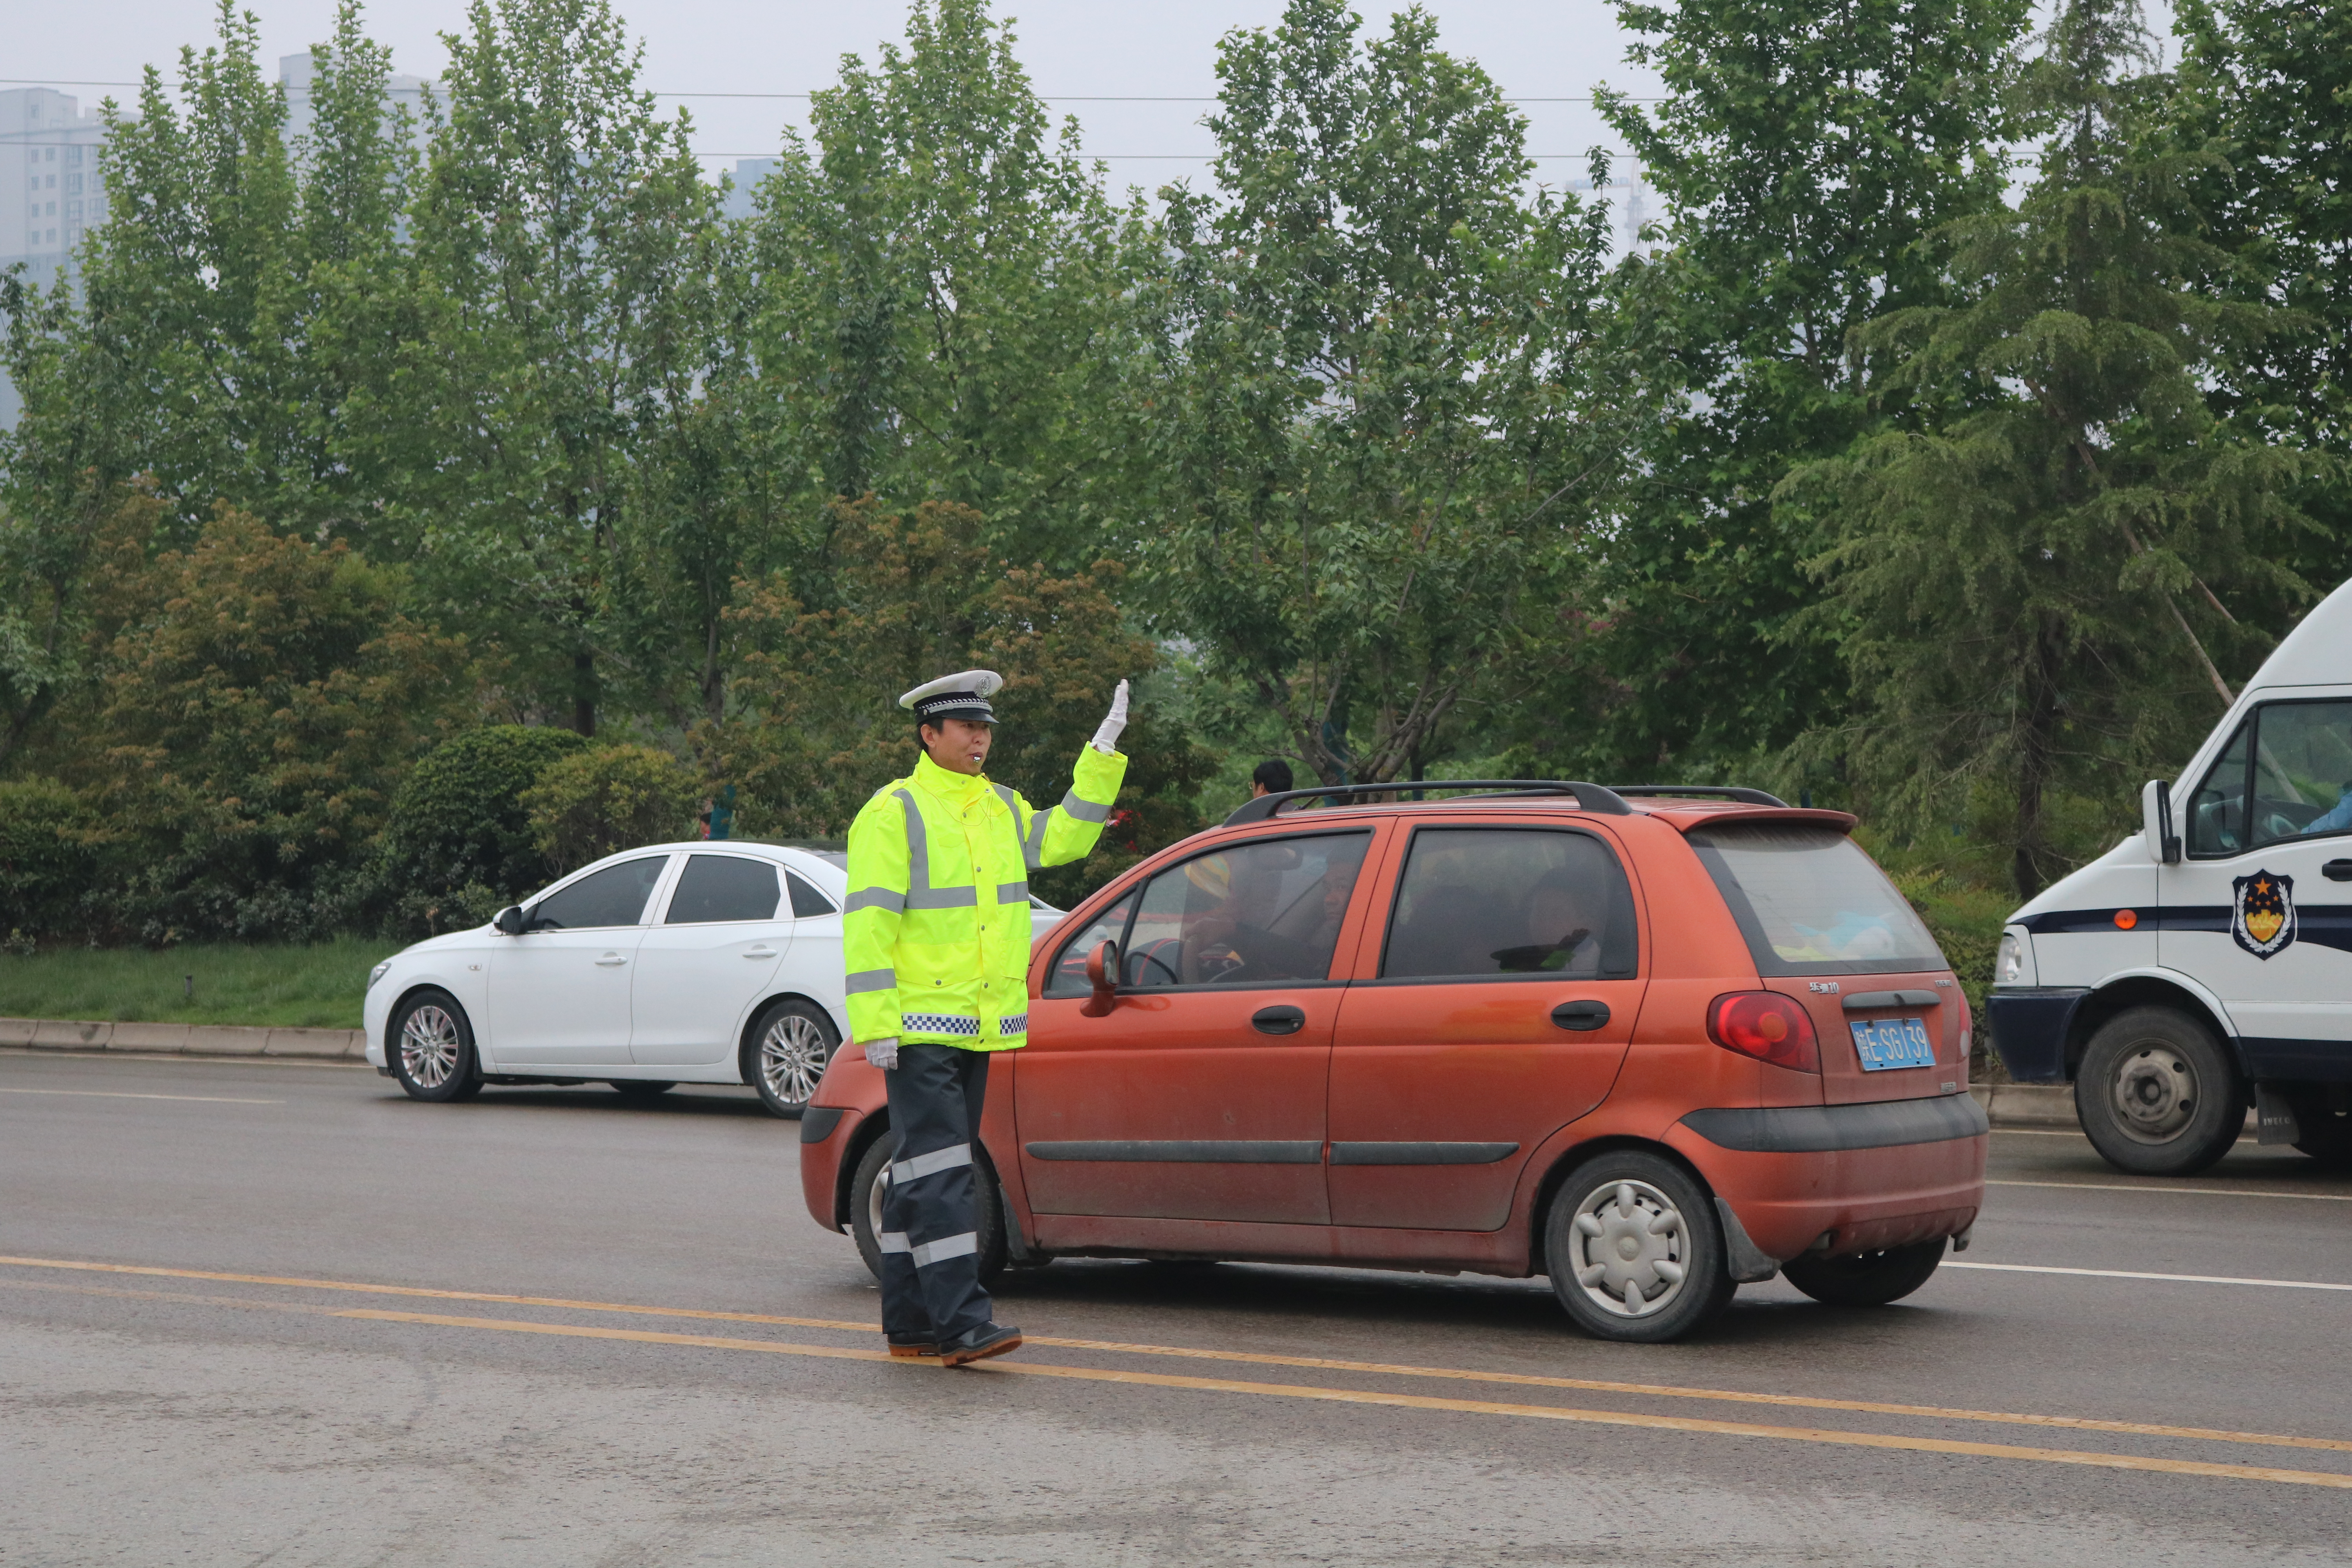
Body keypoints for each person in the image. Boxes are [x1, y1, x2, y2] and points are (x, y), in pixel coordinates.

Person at [842, 669, 1130, 1367]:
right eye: (966, 728)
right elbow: (869, 925)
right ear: (929, 735)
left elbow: (1065, 839)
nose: (980, 740)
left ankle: (911, 1325)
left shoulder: (1000, 805)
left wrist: (1101, 754)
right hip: (919, 1025)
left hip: (980, 1022)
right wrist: (876, 1023)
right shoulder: (895, 810)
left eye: (985, 730)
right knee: (945, 1174)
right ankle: (962, 1324)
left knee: (921, 1172)